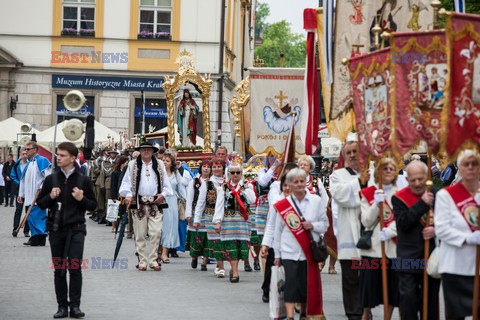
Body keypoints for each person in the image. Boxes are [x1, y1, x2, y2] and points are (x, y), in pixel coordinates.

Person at [36, 142, 97, 319]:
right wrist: (50, 196)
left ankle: (75, 306)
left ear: (73, 158)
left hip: (77, 229)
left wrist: (81, 198)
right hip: (56, 230)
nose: (58, 158)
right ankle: (62, 306)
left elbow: (93, 205)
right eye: (58, 155)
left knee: (75, 267)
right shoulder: (51, 179)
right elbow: (40, 203)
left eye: (62, 155)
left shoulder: (83, 180)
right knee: (59, 268)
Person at [273, 168, 328, 320]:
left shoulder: (316, 201)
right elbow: (277, 231)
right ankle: (290, 316)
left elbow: (325, 224)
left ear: (306, 182)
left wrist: (313, 226)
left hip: (308, 251)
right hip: (288, 251)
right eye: (295, 182)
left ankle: (304, 313)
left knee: (305, 286)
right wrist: (277, 255)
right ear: (289, 185)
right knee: (291, 283)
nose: (299, 184)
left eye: (301, 181)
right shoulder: (283, 205)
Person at [392, 160, 440, 320]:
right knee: (408, 301)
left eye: (420, 179)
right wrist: (422, 203)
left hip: (431, 258)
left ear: (426, 177)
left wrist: (436, 230)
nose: (418, 183)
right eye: (413, 180)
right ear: (407, 180)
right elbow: (402, 224)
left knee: (430, 304)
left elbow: (449, 221)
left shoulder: (438, 194)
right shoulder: (399, 198)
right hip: (407, 258)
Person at [435, 149, 480, 320]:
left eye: (474, 164)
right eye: (466, 164)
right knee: (455, 315)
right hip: (454, 266)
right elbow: (441, 228)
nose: (470, 168)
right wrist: (467, 238)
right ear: (459, 168)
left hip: (477, 266)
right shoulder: (446, 195)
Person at [119, 142, 173, 271]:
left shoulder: (159, 164)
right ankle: (142, 261)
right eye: (144, 149)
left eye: (149, 149)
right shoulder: (132, 165)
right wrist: (127, 195)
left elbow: (167, 185)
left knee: (156, 232)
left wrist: (163, 194)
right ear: (140, 151)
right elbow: (125, 184)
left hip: (155, 203)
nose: (146, 151)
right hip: (139, 204)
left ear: (153, 151)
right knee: (140, 234)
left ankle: (153, 259)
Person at [359, 158, 399, 320]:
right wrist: (376, 204)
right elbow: (366, 221)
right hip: (373, 249)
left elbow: (403, 219)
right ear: (378, 171)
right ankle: (366, 314)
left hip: (393, 247)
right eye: (385, 168)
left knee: (391, 289)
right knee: (369, 288)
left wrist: (390, 231)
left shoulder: (401, 193)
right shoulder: (368, 193)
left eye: (391, 168)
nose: (388, 171)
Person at [329, 134, 364, 320]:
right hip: (348, 234)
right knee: (350, 277)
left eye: (355, 151)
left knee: (367, 276)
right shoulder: (337, 176)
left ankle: (365, 311)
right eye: (348, 152)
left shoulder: (373, 174)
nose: (352, 155)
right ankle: (353, 313)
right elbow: (341, 195)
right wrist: (360, 181)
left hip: (368, 234)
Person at [260, 162, 298, 303]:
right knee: (272, 265)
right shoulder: (276, 193)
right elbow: (271, 224)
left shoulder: (302, 199)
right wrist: (266, 244)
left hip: (295, 242)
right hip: (276, 240)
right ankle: (267, 289)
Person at [213, 162, 256, 283]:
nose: (235, 175)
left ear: (241, 174)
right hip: (229, 222)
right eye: (233, 172)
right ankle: (235, 272)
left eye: (238, 172)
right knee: (231, 245)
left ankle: (234, 269)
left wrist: (246, 188)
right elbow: (219, 206)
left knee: (240, 246)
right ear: (228, 174)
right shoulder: (223, 188)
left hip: (243, 222)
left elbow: (252, 200)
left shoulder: (246, 187)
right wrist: (217, 221)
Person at [194, 157, 227, 278]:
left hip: (226, 216)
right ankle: (220, 266)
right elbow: (201, 202)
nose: (217, 169)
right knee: (216, 241)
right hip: (210, 215)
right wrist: (197, 219)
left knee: (224, 240)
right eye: (214, 167)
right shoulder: (207, 184)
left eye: (219, 167)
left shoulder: (227, 182)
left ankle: (220, 265)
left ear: (223, 168)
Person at [18, 141, 52, 246]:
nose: (26, 151)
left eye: (28, 149)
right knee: (31, 216)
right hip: (29, 195)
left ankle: (38, 236)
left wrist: (42, 188)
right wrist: (21, 194)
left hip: (38, 195)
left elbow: (48, 177)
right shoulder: (28, 163)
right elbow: (23, 180)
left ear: (35, 150)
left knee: (36, 215)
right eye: (25, 149)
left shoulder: (42, 160)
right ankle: (37, 237)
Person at [160, 150, 186, 262]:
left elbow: (180, 189)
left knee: (169, 227)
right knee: (159, 227)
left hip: (172, 202)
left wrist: (186, 202)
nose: (165, 162)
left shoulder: (176, 174)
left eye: (167, 161)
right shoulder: (159, 174)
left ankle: (165, 252)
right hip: (160, 201)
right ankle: (158, 250)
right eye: (163, 160)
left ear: (172, 163)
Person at [186, 159, 211, 270]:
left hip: (208, 213)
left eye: (208, 166)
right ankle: (195, 257)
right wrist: (188, 214)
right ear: (200, 168)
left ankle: (205, 261)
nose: (206, 168)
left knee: (207, 237)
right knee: (197, 237)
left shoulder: (213, 182)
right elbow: (189, 198)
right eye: (204, 166)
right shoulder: (194, 182)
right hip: (195, 210)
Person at [11, 148, 29, 237]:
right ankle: (15, 228)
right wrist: (19, 183)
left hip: (29, 190)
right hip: (19, 190)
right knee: (18, 210)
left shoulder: (31, 163)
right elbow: (12, 176)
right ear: (20, 154)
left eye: (26, 154)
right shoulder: (16, 165)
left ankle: (27, 230)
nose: (25, 155)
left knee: (28, 210)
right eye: (23, 154)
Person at [110, 155, 129, 233]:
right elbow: (113, 186)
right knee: (117, 212)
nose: (127, 165)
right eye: (126, 163)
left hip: (125, 196)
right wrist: (113, 197)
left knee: (124, 211)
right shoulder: (115, 173)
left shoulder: (126, 172)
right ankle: (115, 226)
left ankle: (123, 225)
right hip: (118, 195)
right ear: (122, 163)